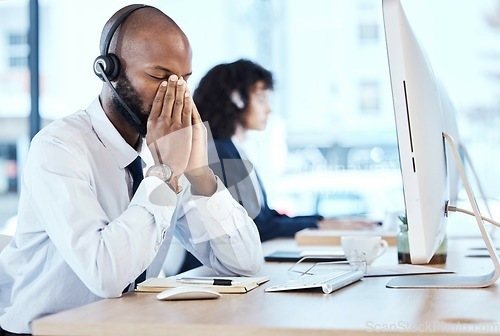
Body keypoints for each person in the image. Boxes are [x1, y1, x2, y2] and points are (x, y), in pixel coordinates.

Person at [0, 6, 262, 335]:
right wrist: (165, 174)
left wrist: (199, 174)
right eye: (159, 77)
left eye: (184, 81)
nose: (176, 94)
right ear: (108, 71)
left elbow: (245, 264)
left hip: (126, 327)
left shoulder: (164, 152)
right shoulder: (57, 148)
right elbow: (106, 275)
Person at [178, 59, 377, 272]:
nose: (269, 109)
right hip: (212, 272)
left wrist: (322, 221)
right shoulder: (219, 152)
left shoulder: (232, 149)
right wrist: (319, 225)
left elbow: (264, 216)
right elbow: (257, 224)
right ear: (236, 99)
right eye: (262, 99)